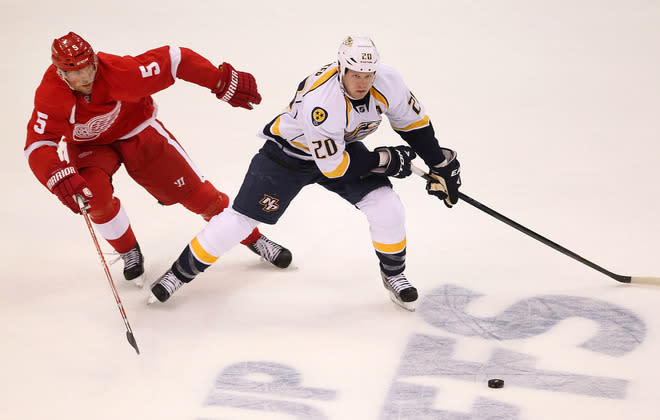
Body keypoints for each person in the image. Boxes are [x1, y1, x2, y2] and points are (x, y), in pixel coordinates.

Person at [148, 35, 461, 311]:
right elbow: (334, 168)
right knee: (238, 222)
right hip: (287, 157)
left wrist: (439, 163)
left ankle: (393, 275)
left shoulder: (389, 82)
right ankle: (178, 274)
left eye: (368, 74)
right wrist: (384, 159)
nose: (363, 82)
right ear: (342, 68)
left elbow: (413, 124)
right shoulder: (321, 103)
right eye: (355, 74)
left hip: (342, 149)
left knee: (387, 205)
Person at [24, 32, 292, 286]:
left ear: (95, 61)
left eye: (88, 67)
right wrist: (53, 173)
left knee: (198, 195)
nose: (85, 77)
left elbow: (176, 59)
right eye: (75, 72)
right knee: (94, 197)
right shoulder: (51, 94)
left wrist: (218, 80)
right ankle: (129, 250)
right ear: (61, 73)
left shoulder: (121, 72)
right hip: (88, 146)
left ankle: (254, 238)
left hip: (138, 131)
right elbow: (38, 143)